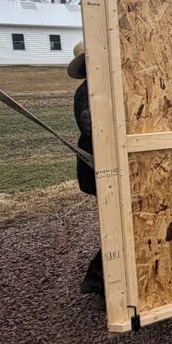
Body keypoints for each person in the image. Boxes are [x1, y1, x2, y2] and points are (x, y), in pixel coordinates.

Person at [68, 42, 103, 296]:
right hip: (97, 170)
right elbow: (95, 133)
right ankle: (100, 282)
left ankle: (99, 280)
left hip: (99, 170)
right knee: (121, 226)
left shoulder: (96, 89)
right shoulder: (89, 92)